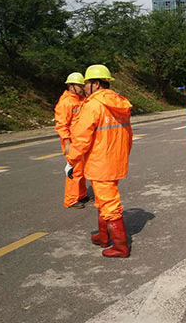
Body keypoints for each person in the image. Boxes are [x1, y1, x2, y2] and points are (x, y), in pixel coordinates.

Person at [66, 64, 133, 258]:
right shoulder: (121, 103)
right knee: (103, 200)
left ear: (95, 84)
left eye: (86, 84)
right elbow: (128, 135)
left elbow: (80, 139)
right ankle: (104, 237)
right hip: (115, 160)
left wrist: (71, 161)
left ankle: (120, 247)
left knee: (109, 203)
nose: (84, 88)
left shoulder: (93, 105)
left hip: (100, 163)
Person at [54, 72, 88, 209]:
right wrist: (67, 142)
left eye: (82, 86)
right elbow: (62, 125)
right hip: (72, 142)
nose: (82, 88)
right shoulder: (65, 103)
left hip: (81, 140)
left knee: (82, 170)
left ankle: (81, 194)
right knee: (74, 171)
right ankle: (71, 200)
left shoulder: (80, 99)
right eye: (79, 86)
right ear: (71, 86)